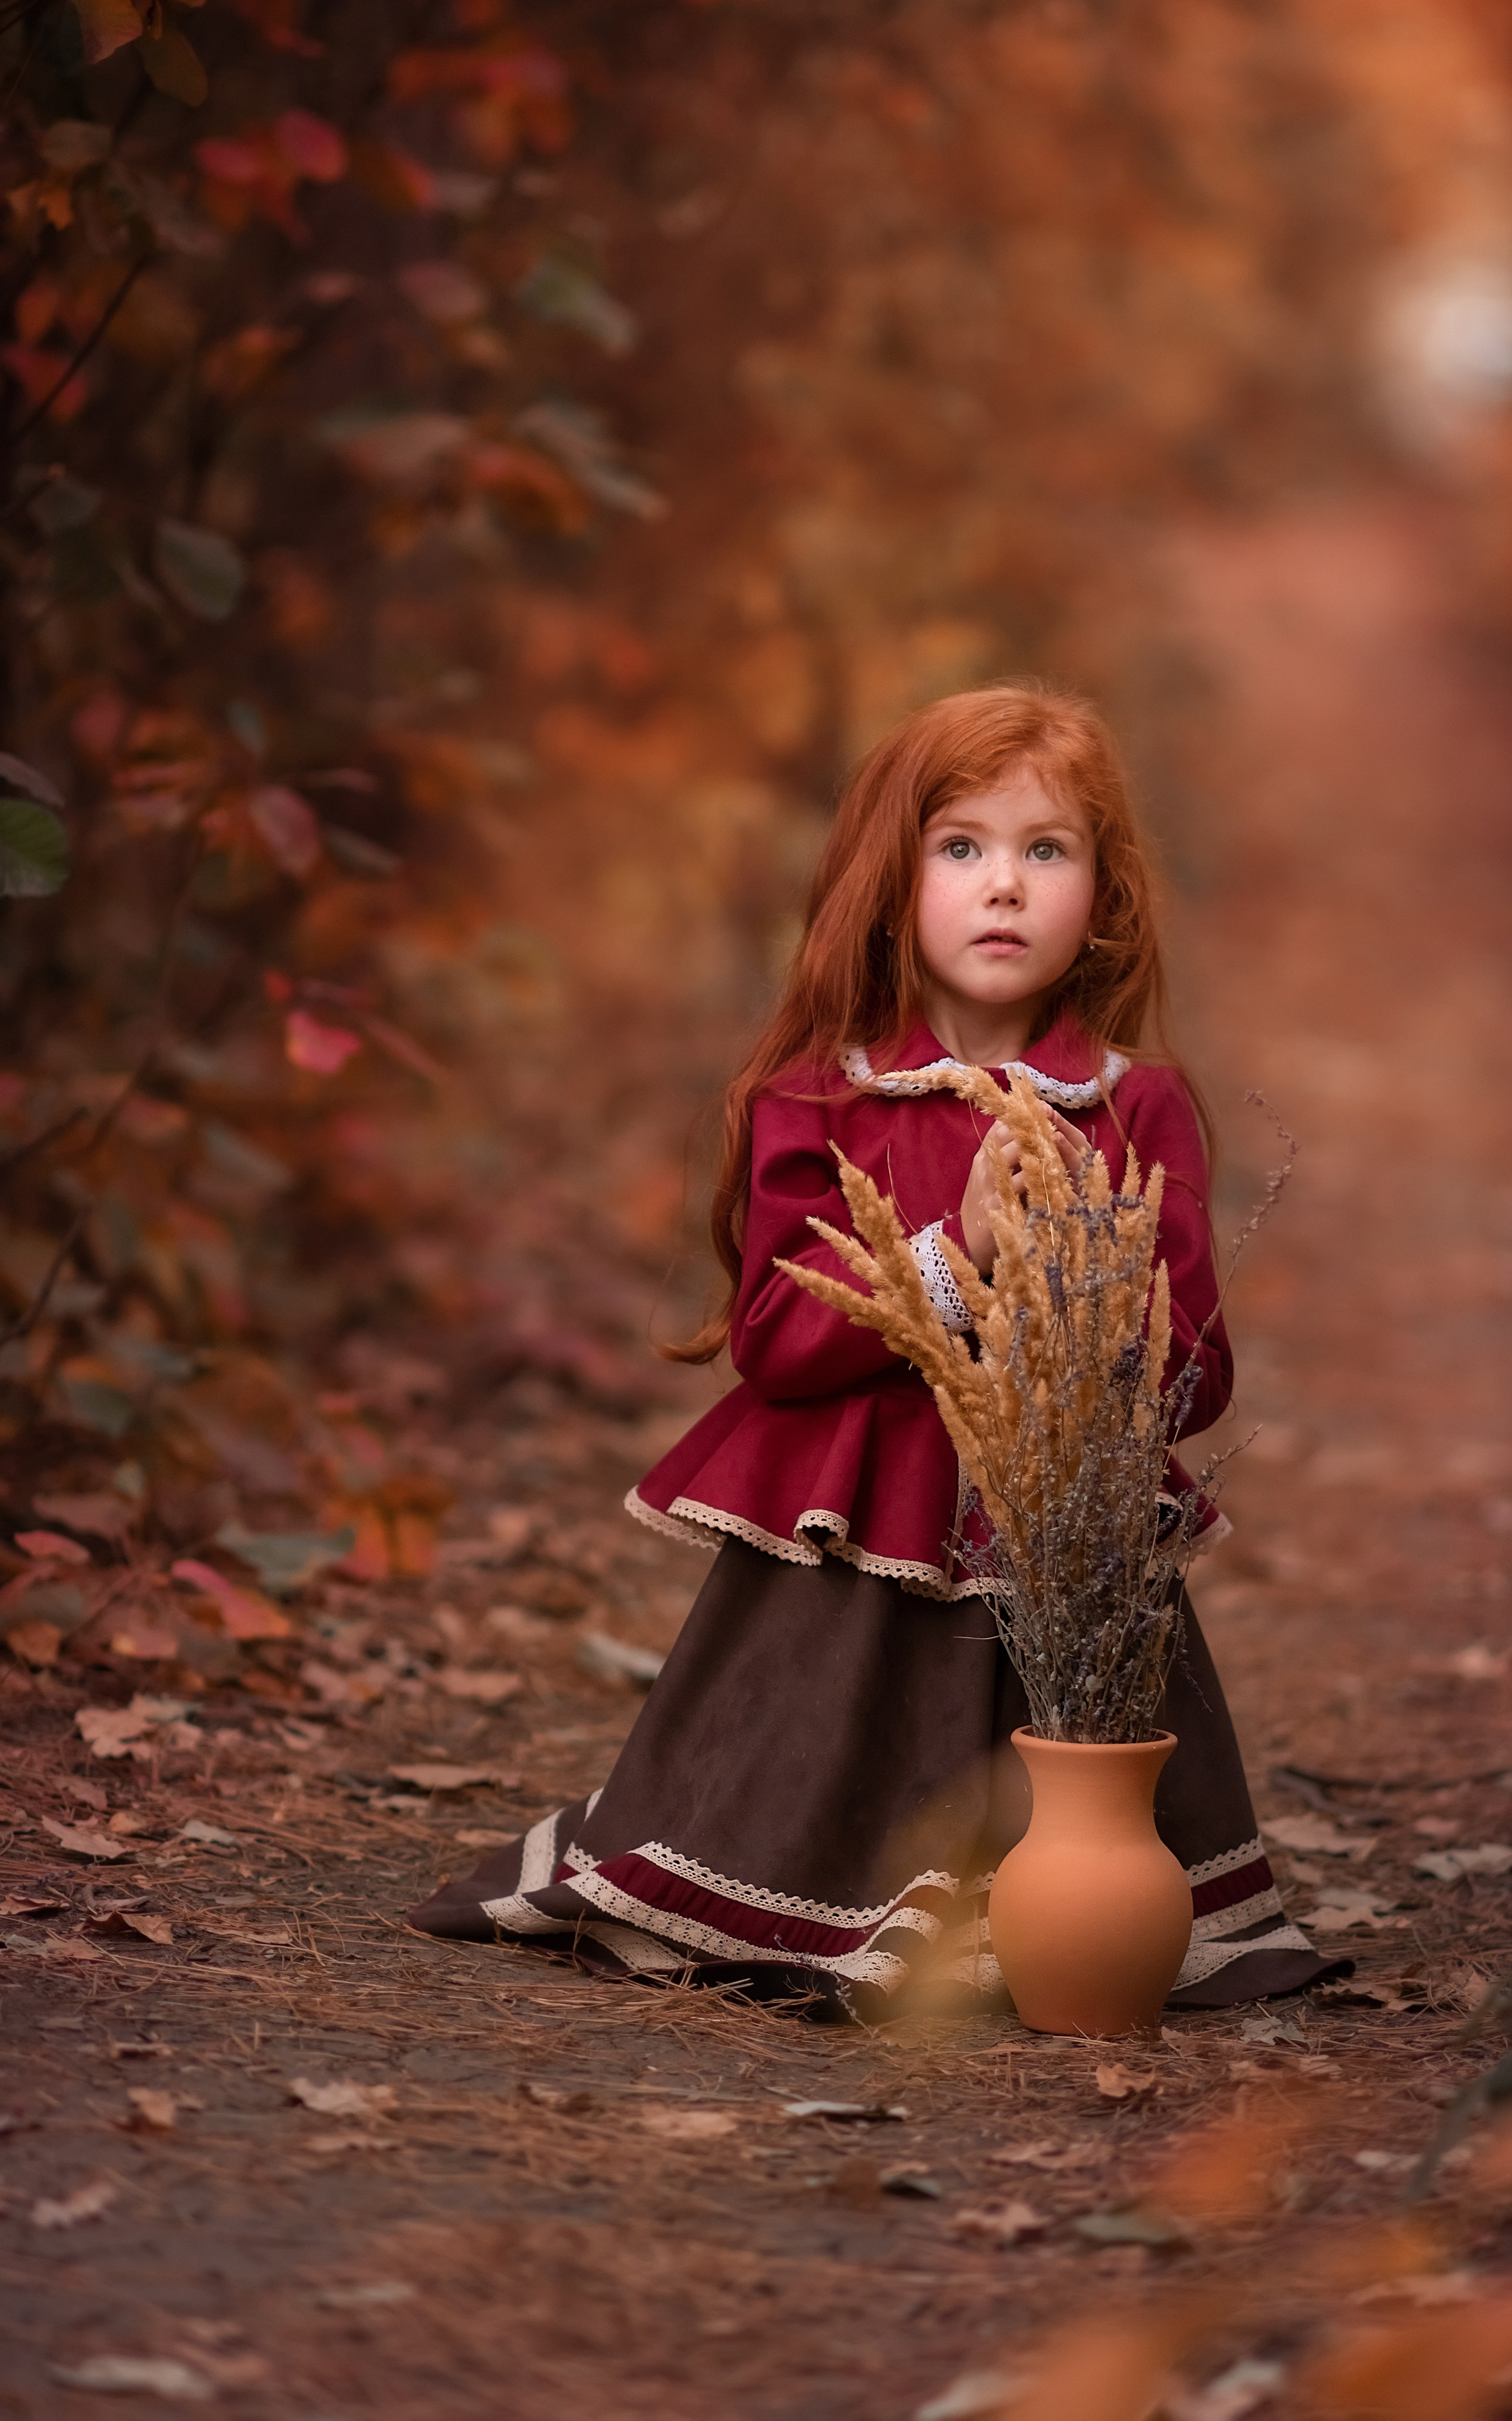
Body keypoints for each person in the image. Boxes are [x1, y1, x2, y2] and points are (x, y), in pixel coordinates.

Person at [410, 684, 1343, 2018]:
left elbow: (1195, 1377)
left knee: (1081, 1792)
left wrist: (1088, 1272)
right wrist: (941, 1263)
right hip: (854, 1529)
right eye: (958, 848)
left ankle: (1066, 1904)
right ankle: (798, 1878)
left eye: (1046, 850)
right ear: (891, 879)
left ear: (1107, 893)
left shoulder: (1134, 1107)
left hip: (1055, 1539)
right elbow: (777, 1343)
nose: (1002, 887)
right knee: (814, 1754)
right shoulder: (816, 1097)